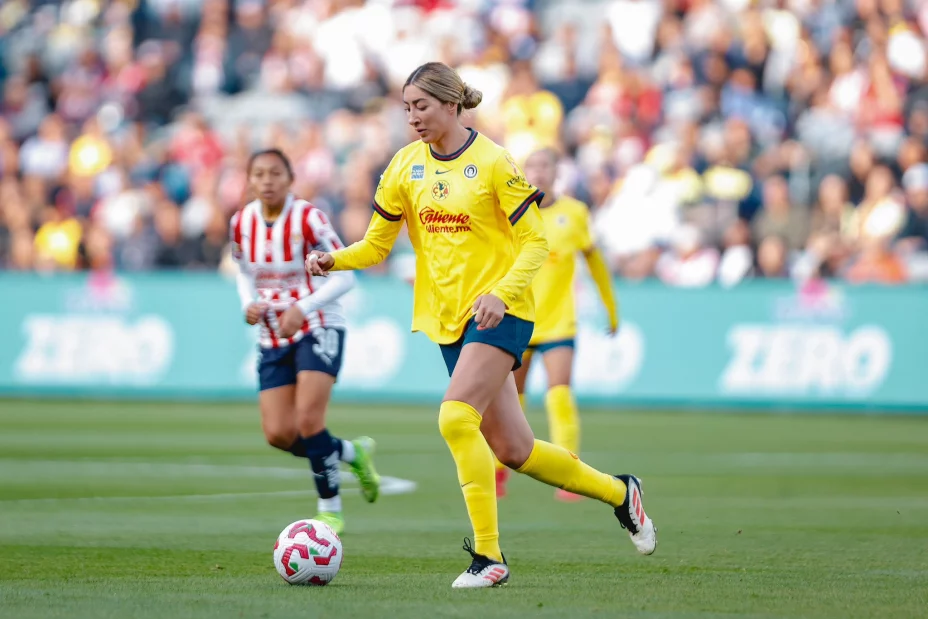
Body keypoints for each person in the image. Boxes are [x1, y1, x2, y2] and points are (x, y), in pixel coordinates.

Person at [306, 62, 656, 589]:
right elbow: (377, 246)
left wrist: (501, 293)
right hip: (450, 321)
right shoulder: (404, 167)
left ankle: (489, 558)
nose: (412, 117)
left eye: (421, 106)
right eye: (406, 107)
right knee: (516, 450)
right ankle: (620, 492)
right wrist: (335, 260)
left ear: (452, 105)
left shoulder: (494, 162)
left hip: (503, 312)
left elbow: (536, 241)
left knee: (453, 418)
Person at [230, 148, 380, 535]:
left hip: (319, 324)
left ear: (290, 179)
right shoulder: (240, 222)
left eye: (275, 173)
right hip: (273, 333)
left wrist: (303, 307)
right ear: (249, 180)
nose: (267, 181)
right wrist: (248, 302)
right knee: (279, 433)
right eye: (259, 174)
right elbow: (243, 271)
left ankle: (329, 509)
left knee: (309, 419)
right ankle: (350, 452)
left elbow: (346, 274)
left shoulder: (309, 218)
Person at [497, 147, 620, 502]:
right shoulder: (510, 213)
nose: (538, 172)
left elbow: (594, 262)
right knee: (510, 401)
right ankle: (497, 470)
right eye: (532, 166)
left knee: (560, 394)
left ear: (556, 173)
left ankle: (569, 475)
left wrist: (610, 309)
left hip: (559, 322)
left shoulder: (575, 213)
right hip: (518, 319)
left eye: (545, 166)